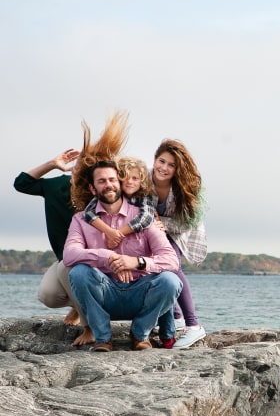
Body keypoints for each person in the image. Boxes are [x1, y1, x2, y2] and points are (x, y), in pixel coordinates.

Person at [64, 160, 182, 352]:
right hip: (105, 291)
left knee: (171, 281)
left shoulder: (144, 218)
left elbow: (171, 260)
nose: (108, 184)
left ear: (120, 183)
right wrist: (108, 257)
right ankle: (103, 338)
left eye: (112, 179)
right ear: (93, 189)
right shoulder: (80, 219)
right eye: (101, 181)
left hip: (140, 292)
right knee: (78, 273)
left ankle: (140, 334)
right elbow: (70, 254)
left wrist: (136, 262)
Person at [13, 149, 86, 329]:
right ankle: (77, 306)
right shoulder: (57, 186)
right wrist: (52, 164)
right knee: (48, 295)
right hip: (66, 259)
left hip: (96, 261)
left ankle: (90, 324)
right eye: (81, 163)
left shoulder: (101, 192)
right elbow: (21, 184)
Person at [152, 139, 208, 349]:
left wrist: (161, 222)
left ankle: (194, 325)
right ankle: (177, 318)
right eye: (161, 161)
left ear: (177, 169)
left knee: (172, 266)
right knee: (153, 269)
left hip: (181, 231)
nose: (164, 168)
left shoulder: (184, 189)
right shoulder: (145, 179)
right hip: (152, 232)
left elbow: (187, 223)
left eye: (171, 165)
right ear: (155, 159)